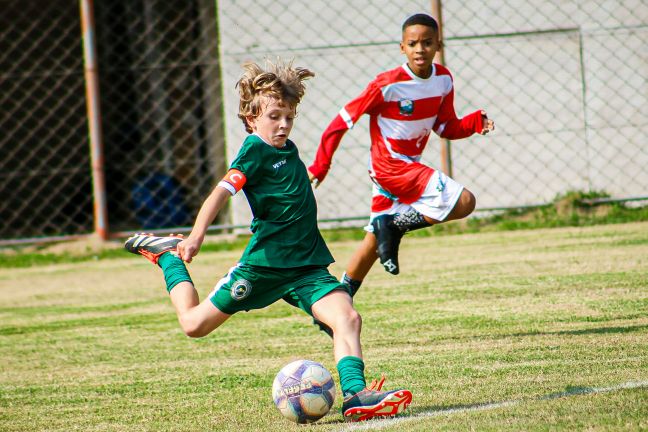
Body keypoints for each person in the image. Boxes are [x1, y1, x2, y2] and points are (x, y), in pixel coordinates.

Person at [124, 59, 412, 422]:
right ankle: (168, 257)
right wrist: (196, 237)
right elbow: (220, 193)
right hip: (265, 266)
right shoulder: (253, 150)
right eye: (275, 116)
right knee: (193, 325)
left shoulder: (288, 150)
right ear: (251, 118)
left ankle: (356, 395)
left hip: (307, 267)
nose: (283, 124)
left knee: (348, 318)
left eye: (289, 117)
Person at [308, 13, 495, 291]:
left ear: (438, 45)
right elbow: (340, 122)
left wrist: (473, 123)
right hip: (390, 166)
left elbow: (445, 127)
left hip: (405, 168)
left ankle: (338, 303)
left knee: (372, 244)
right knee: (464, 201)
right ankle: (394, 226)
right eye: (413, 43)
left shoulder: (443, 80)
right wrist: (320, 166)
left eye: (427, 42)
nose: (420, 49)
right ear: (402, 47)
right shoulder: (388, 84)